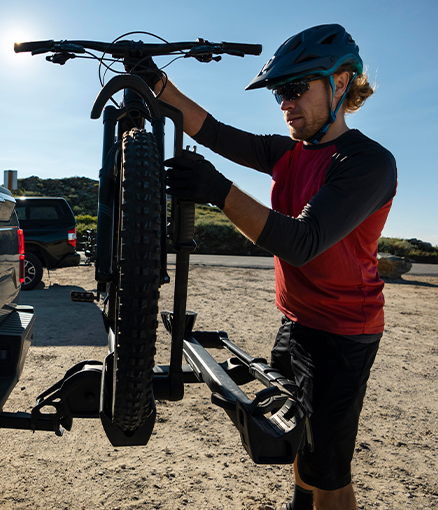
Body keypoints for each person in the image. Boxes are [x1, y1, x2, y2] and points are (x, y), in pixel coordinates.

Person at [126, 24, 397, 510]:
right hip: (297, 322)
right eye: (278, 93)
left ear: (340, 83)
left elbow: (303, 242)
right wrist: (154, 82)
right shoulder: (288, 152)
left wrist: (217, 190)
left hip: (342, 334)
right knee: (297, 441)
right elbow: (212, 131)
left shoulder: (367, 162)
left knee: (329, 468)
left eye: (295, 89)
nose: (284, 103)